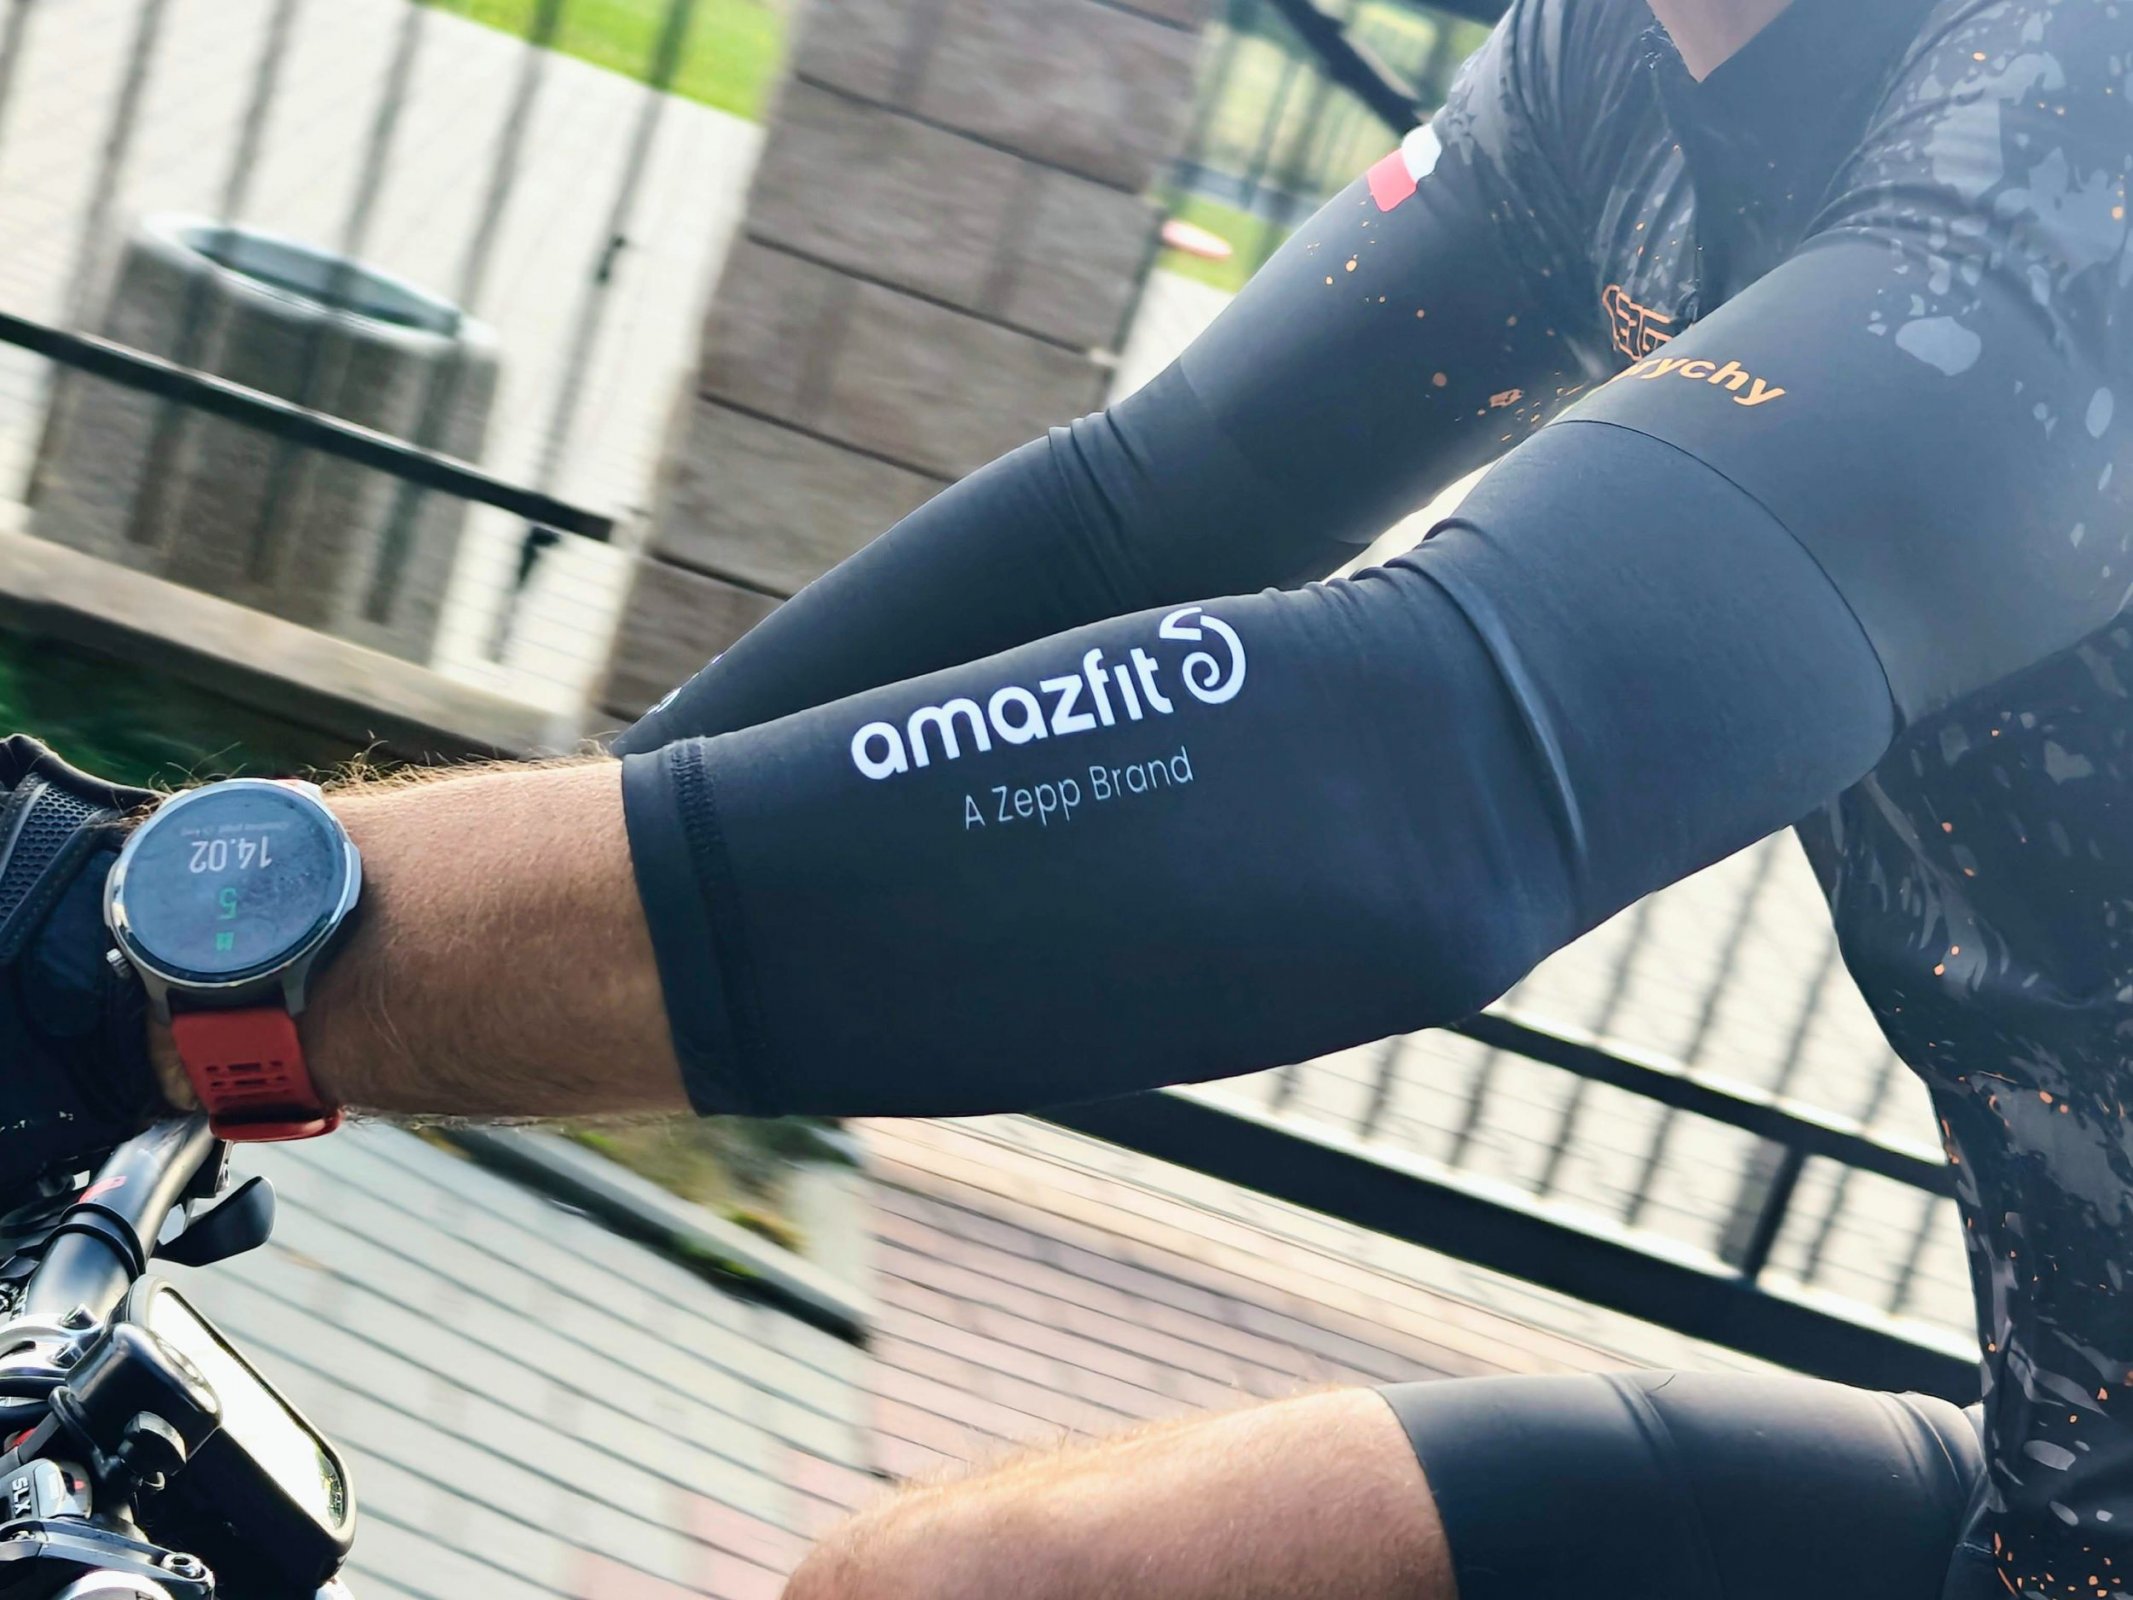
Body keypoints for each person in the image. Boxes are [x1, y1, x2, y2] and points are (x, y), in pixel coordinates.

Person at [1, 0, 2127, 1590]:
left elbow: (1431, 768)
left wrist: (143, 960)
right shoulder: (1613, 68)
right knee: (953, 1585)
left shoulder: (2075, 112)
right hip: (2051, 1488)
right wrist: (310, 958)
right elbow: (1132, 523)